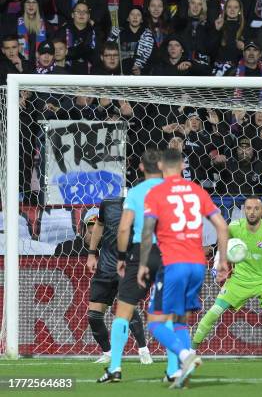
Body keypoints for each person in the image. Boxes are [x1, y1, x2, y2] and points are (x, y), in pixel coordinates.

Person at [137, 148, 229, 389]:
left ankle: (185, 354)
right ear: (181, 167)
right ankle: (181, 374)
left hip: (172, 264)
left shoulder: (156, 193)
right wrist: (222, 260)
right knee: (179, 321)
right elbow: (221, 226)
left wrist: (144, 263)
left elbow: (147, 232)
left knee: (155, 321)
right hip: (197, 264)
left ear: (160, 167)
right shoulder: (197, 191)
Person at [191, 197, 262, 361]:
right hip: (239, 281)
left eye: (255, 209)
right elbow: (222, 244)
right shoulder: (234, 227)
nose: (251, 212)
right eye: (248, 208)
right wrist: (218, 262)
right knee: (213, 312)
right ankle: (191, 351)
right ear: (244, 210)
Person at [97, 150, 165, 383]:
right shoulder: (176, 192)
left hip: (140, 252)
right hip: (171, 253)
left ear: (141, 168)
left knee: (123, 312)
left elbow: (124, 228)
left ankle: (115, 367)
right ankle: (175, 368)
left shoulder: (136, 192)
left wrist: (122, 257)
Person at [85, 201, 151, 365]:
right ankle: (108, 352)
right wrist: (92, 254)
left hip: (127, 266)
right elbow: (99, 226)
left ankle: (143, 350)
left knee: (127, 309)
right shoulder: (108, 204)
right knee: (93, 316)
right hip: (105, 268)